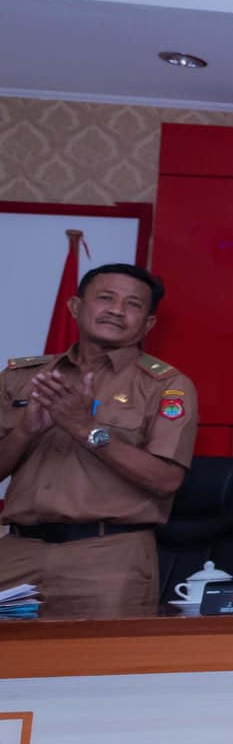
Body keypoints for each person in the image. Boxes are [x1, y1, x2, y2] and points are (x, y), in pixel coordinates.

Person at [0, 264, 198, 618]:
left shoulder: (166, 386)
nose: (117, 310)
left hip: (107, 557)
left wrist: (86, 428)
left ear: (148, 324)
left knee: (102, 655)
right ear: (75, 307)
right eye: (106, 298)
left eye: (133, 304)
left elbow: (166, 480)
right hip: (16, 551)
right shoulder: (21, 378)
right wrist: (25, 432)